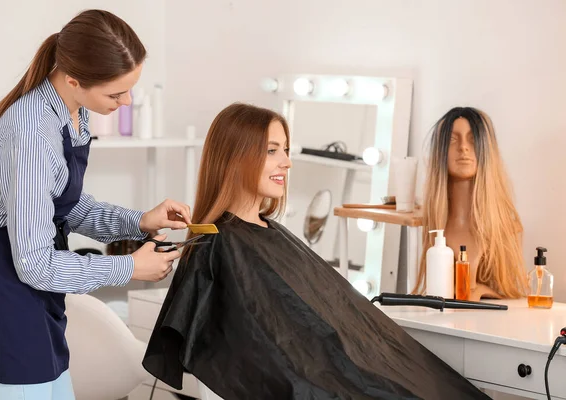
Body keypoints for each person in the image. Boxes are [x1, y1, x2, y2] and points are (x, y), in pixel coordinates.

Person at [142, 103, 490, 400]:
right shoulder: (222, 242)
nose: (287, 163)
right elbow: (266, 357)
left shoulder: (271, 233)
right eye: (272, 150)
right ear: (235, 157)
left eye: (286, 150)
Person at [0, 9, 191, 400]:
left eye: (130, 89)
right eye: (115, 93)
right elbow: (35, 262)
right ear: (73, 79)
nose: (126, 101)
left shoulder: (71, 114)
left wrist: (140, 221)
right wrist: (130, 266)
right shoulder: (32, 131)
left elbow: (65, 206)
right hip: (4, 291)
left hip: (31, 289)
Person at [413, 107, 527, 300]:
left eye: (473, 139)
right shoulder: (434, 226)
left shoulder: (507, 228)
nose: (463, 148)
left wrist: (481, 289)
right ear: (440, 152)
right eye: (452, 140)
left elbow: (512, 293)